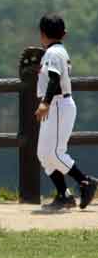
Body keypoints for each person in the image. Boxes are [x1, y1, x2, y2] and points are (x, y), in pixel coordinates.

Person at [34, 14, 98, 210]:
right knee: (44, 154)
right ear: (64, 34)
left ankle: (85, 181)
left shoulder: (53, 53)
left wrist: (45, 102)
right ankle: (64, 195)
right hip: (58, 105)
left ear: (42, 34)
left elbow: (54, 79)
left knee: (54, 152)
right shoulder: (57, 51)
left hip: (58, 105)